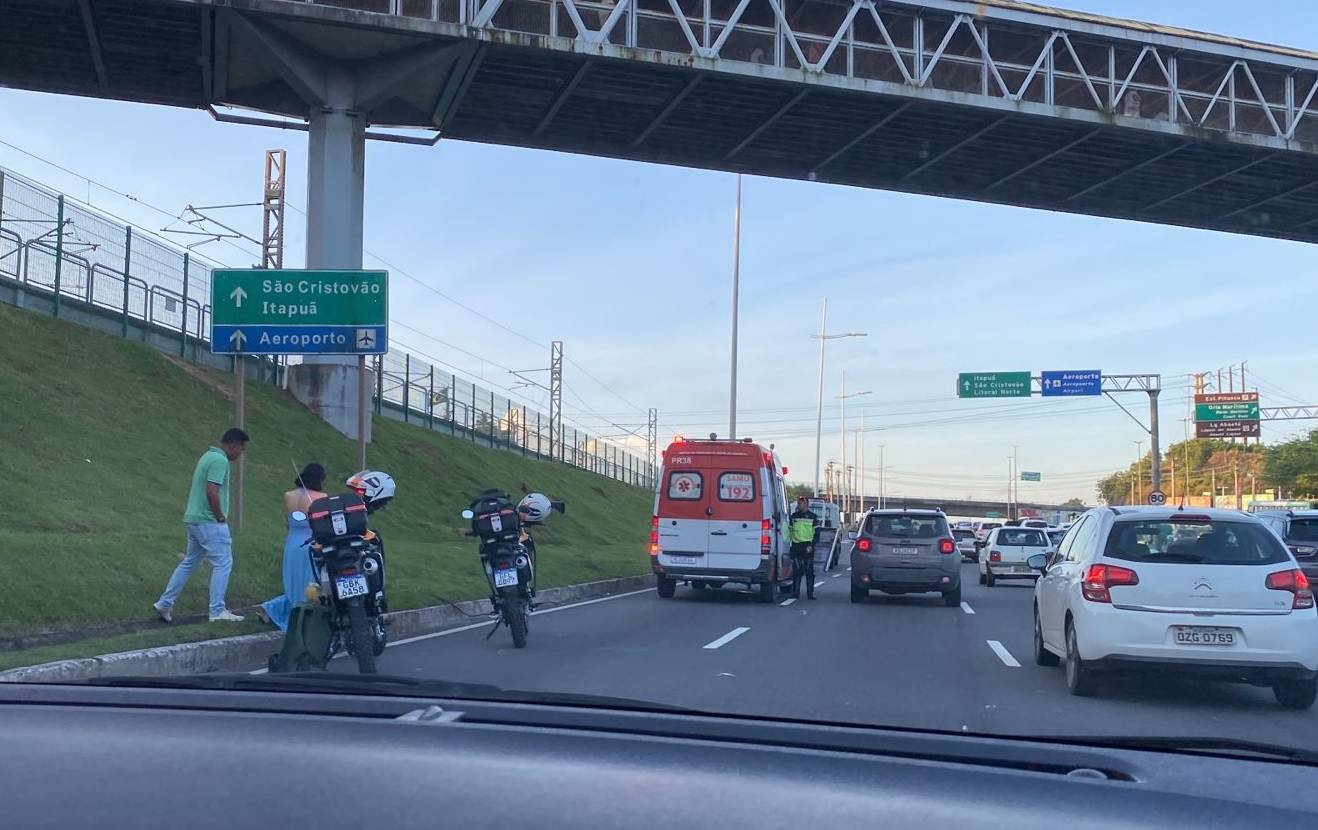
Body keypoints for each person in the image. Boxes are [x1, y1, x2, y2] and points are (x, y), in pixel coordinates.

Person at [153, 428, 250, 623]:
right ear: (233, 445)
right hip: (210, 522)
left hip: (193, 519)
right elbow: (211, 491)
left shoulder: (207, 456)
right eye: (241, 448)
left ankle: (165, 603)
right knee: (223, 563)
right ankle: (217, 611)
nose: (241, 454)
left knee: (189, 562)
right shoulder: (220, 461)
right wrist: (220, 517)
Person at [256, 463, 329, 631]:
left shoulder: (288, 495)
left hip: (293, 542)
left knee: (293, 580)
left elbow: (287, 522)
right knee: (311, 582)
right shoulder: (321, 497)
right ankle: (305, 615)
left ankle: (281, 609)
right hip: (311, 542)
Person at [789, 496, 820, 600]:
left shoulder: (813, 517)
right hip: (796, 546)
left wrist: (812, 545)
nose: (799, 504)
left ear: (806, 504)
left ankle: (810, 593)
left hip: (808, 547)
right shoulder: (793, 517)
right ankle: (795, 593)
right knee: (796, 571)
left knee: (809, 571)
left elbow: (817, 534)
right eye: (798, 503)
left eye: (801, 503)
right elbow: (788, 530)